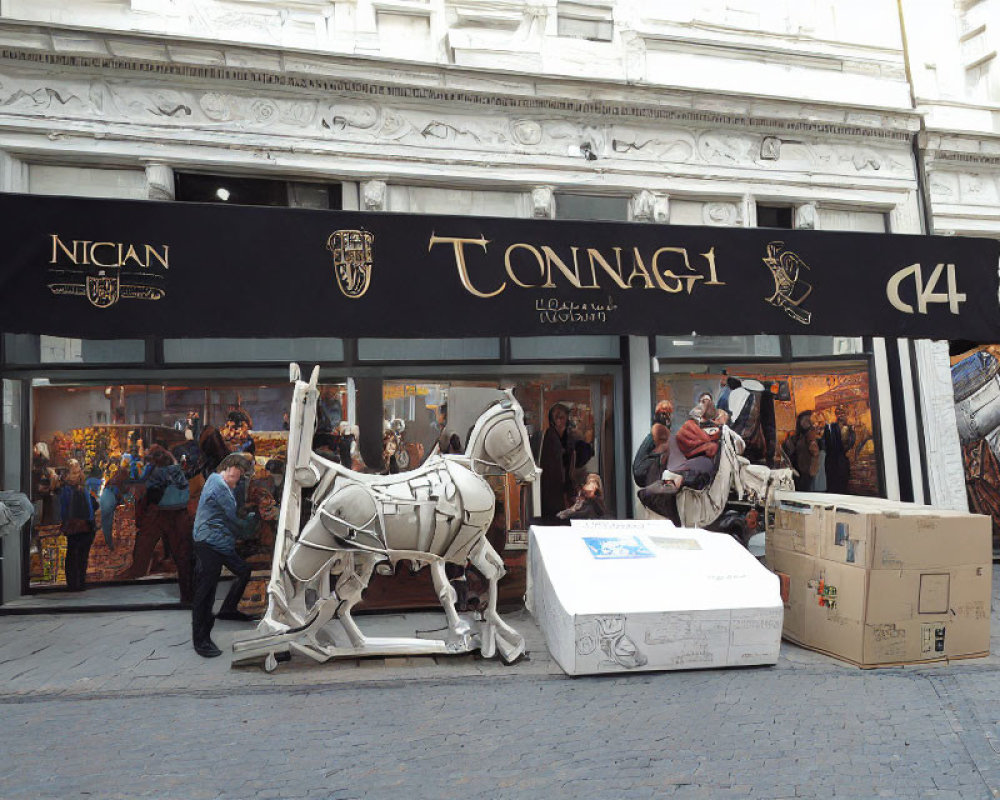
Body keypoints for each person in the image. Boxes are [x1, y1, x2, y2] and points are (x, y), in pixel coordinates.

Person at [190, 453, 259, 658]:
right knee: (206, 591)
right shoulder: (220, 487)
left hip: (220, 542)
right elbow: (234, 519)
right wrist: (250, 522)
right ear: (228, 469)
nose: (237, 481)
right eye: (237, 476)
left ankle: (228, 609)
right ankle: (201, 640)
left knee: (243, 570)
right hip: (209, 543)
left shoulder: (217, 480)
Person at [132, 445, 194, 603]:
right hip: (181, 514)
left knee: (146, 545)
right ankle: (188, 595)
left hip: (164, 513)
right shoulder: (178, 472)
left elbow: (150, 493)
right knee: (183, 557)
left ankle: (138, 571)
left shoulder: (159, 473)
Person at [58, 459, 98, 591]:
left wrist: (64, 523)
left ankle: (73, 584)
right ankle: (80, 582)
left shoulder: (65, 489)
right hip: (86, 525)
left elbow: (63, 510)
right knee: (82, 556)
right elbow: (90, 510)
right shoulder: (84, 487)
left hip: (73, 526)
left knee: (72, 555)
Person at [537, 403, 577, 522]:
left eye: (563, 417)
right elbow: (554, 469)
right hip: (553, 490)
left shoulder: (567, 437)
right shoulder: (550, 438)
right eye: (557, 417)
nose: (560, 421)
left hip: (563, 488)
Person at [632, 400, 673, 488]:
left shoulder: (659, 431)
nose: (667, 417)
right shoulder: (658, 432)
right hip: (642, 472)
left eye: (668, 414)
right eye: (664, 414)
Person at [783, 410, 821, 491]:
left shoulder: (813, 435)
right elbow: (788, 452)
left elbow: (815, 453)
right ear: (800, 422)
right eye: (806, 420)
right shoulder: (795, 437)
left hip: (808, 472)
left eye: (809, 421)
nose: (808, 423)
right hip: (797, 471)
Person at [823, 406, 856, 494]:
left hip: (842, 461)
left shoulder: (850, 429)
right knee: (832, 487)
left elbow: (850, 444)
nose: (840, 415)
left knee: (842, 486)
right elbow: (826, 443)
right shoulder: (831, 427)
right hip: (831, 462)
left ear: (846, 414)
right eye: (838, 413)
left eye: (843, 413)